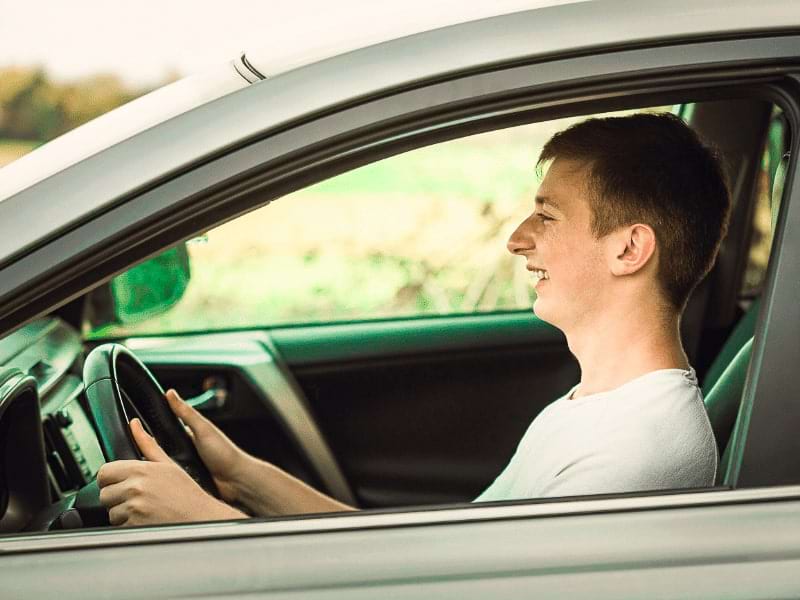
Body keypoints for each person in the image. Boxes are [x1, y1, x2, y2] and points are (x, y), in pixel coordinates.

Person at [97, 112, 729, 526]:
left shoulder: (634, 458)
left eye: (547, 216)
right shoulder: (598, 410)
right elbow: (421, 565)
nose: (516, 239)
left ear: (629, 249)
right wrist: (243, 477)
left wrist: (203, 527)